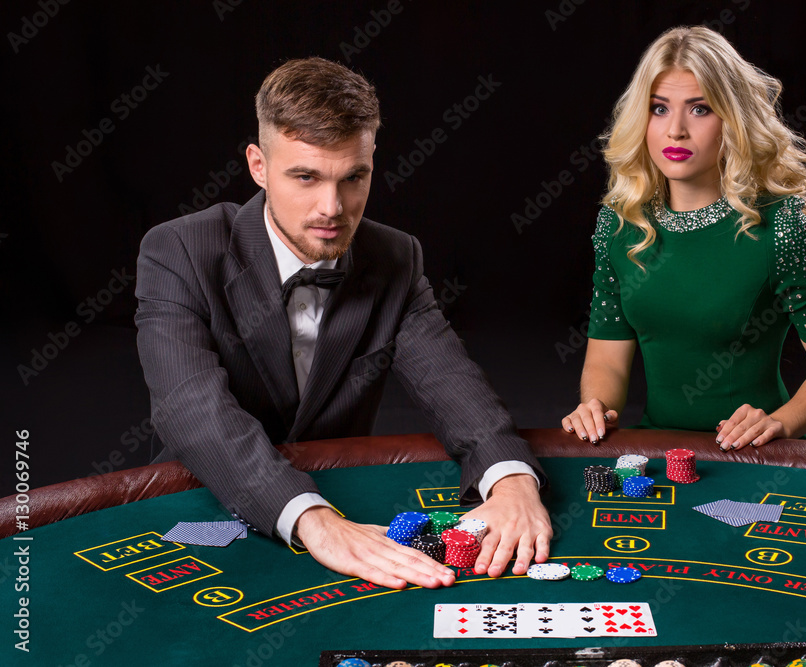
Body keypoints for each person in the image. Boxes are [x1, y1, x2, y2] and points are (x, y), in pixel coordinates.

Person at [134, 57, 551, 590]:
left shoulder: (395, 257)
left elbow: (452, 384)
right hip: (204, 508)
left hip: (343, 502)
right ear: (258, 166)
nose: (332, 208)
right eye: (305, 177)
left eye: (354, 178)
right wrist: (314, 520)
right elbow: (190, 408)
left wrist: (511, 480)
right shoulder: (179, 250)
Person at [562, 26, 806, 451]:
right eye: (659, 109)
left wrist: (780, 422)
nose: (676, 131)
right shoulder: (619, 222)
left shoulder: (782, 227)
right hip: (658, 450)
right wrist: (596, 408)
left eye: (700, 109)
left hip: (761, 453)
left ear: (733, 119)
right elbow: (606, 359)